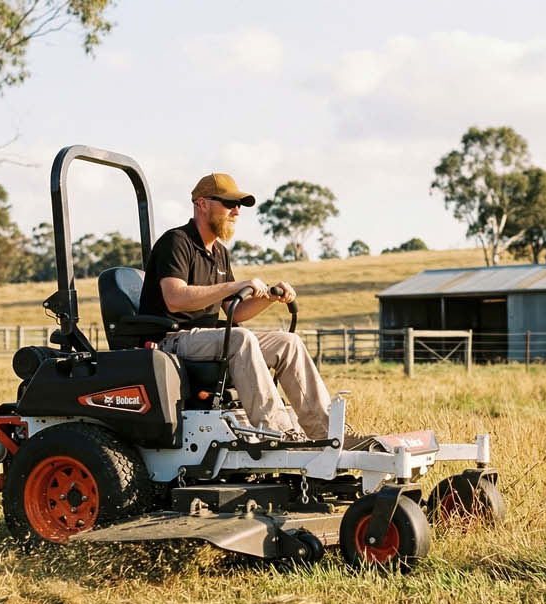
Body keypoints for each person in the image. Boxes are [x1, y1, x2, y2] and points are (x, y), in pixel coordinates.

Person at [138, 172, 371, 448]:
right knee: (241, 338)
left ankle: (325, 432)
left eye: (238, 205)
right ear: (202, 204)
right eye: (228, 203)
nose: (236, 211)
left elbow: (235, 313)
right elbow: (174, 298)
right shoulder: (176, 242)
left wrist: (271, 297)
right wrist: (234, 286)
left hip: (208, 339)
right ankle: (275, 432)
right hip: (171, 341)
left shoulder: (219, 253)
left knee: (289, 342)